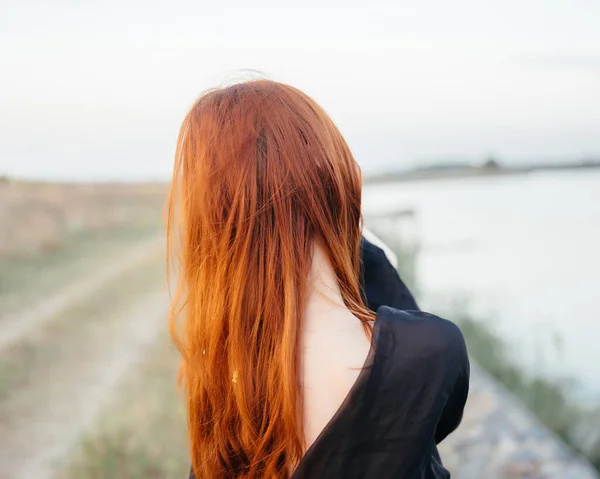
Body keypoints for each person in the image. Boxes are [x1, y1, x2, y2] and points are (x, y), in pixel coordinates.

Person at [166, 80, 469, 479]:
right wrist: (348, 233)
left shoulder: (223, 387)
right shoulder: (430, 351)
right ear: (341, 185)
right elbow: (428, 419)